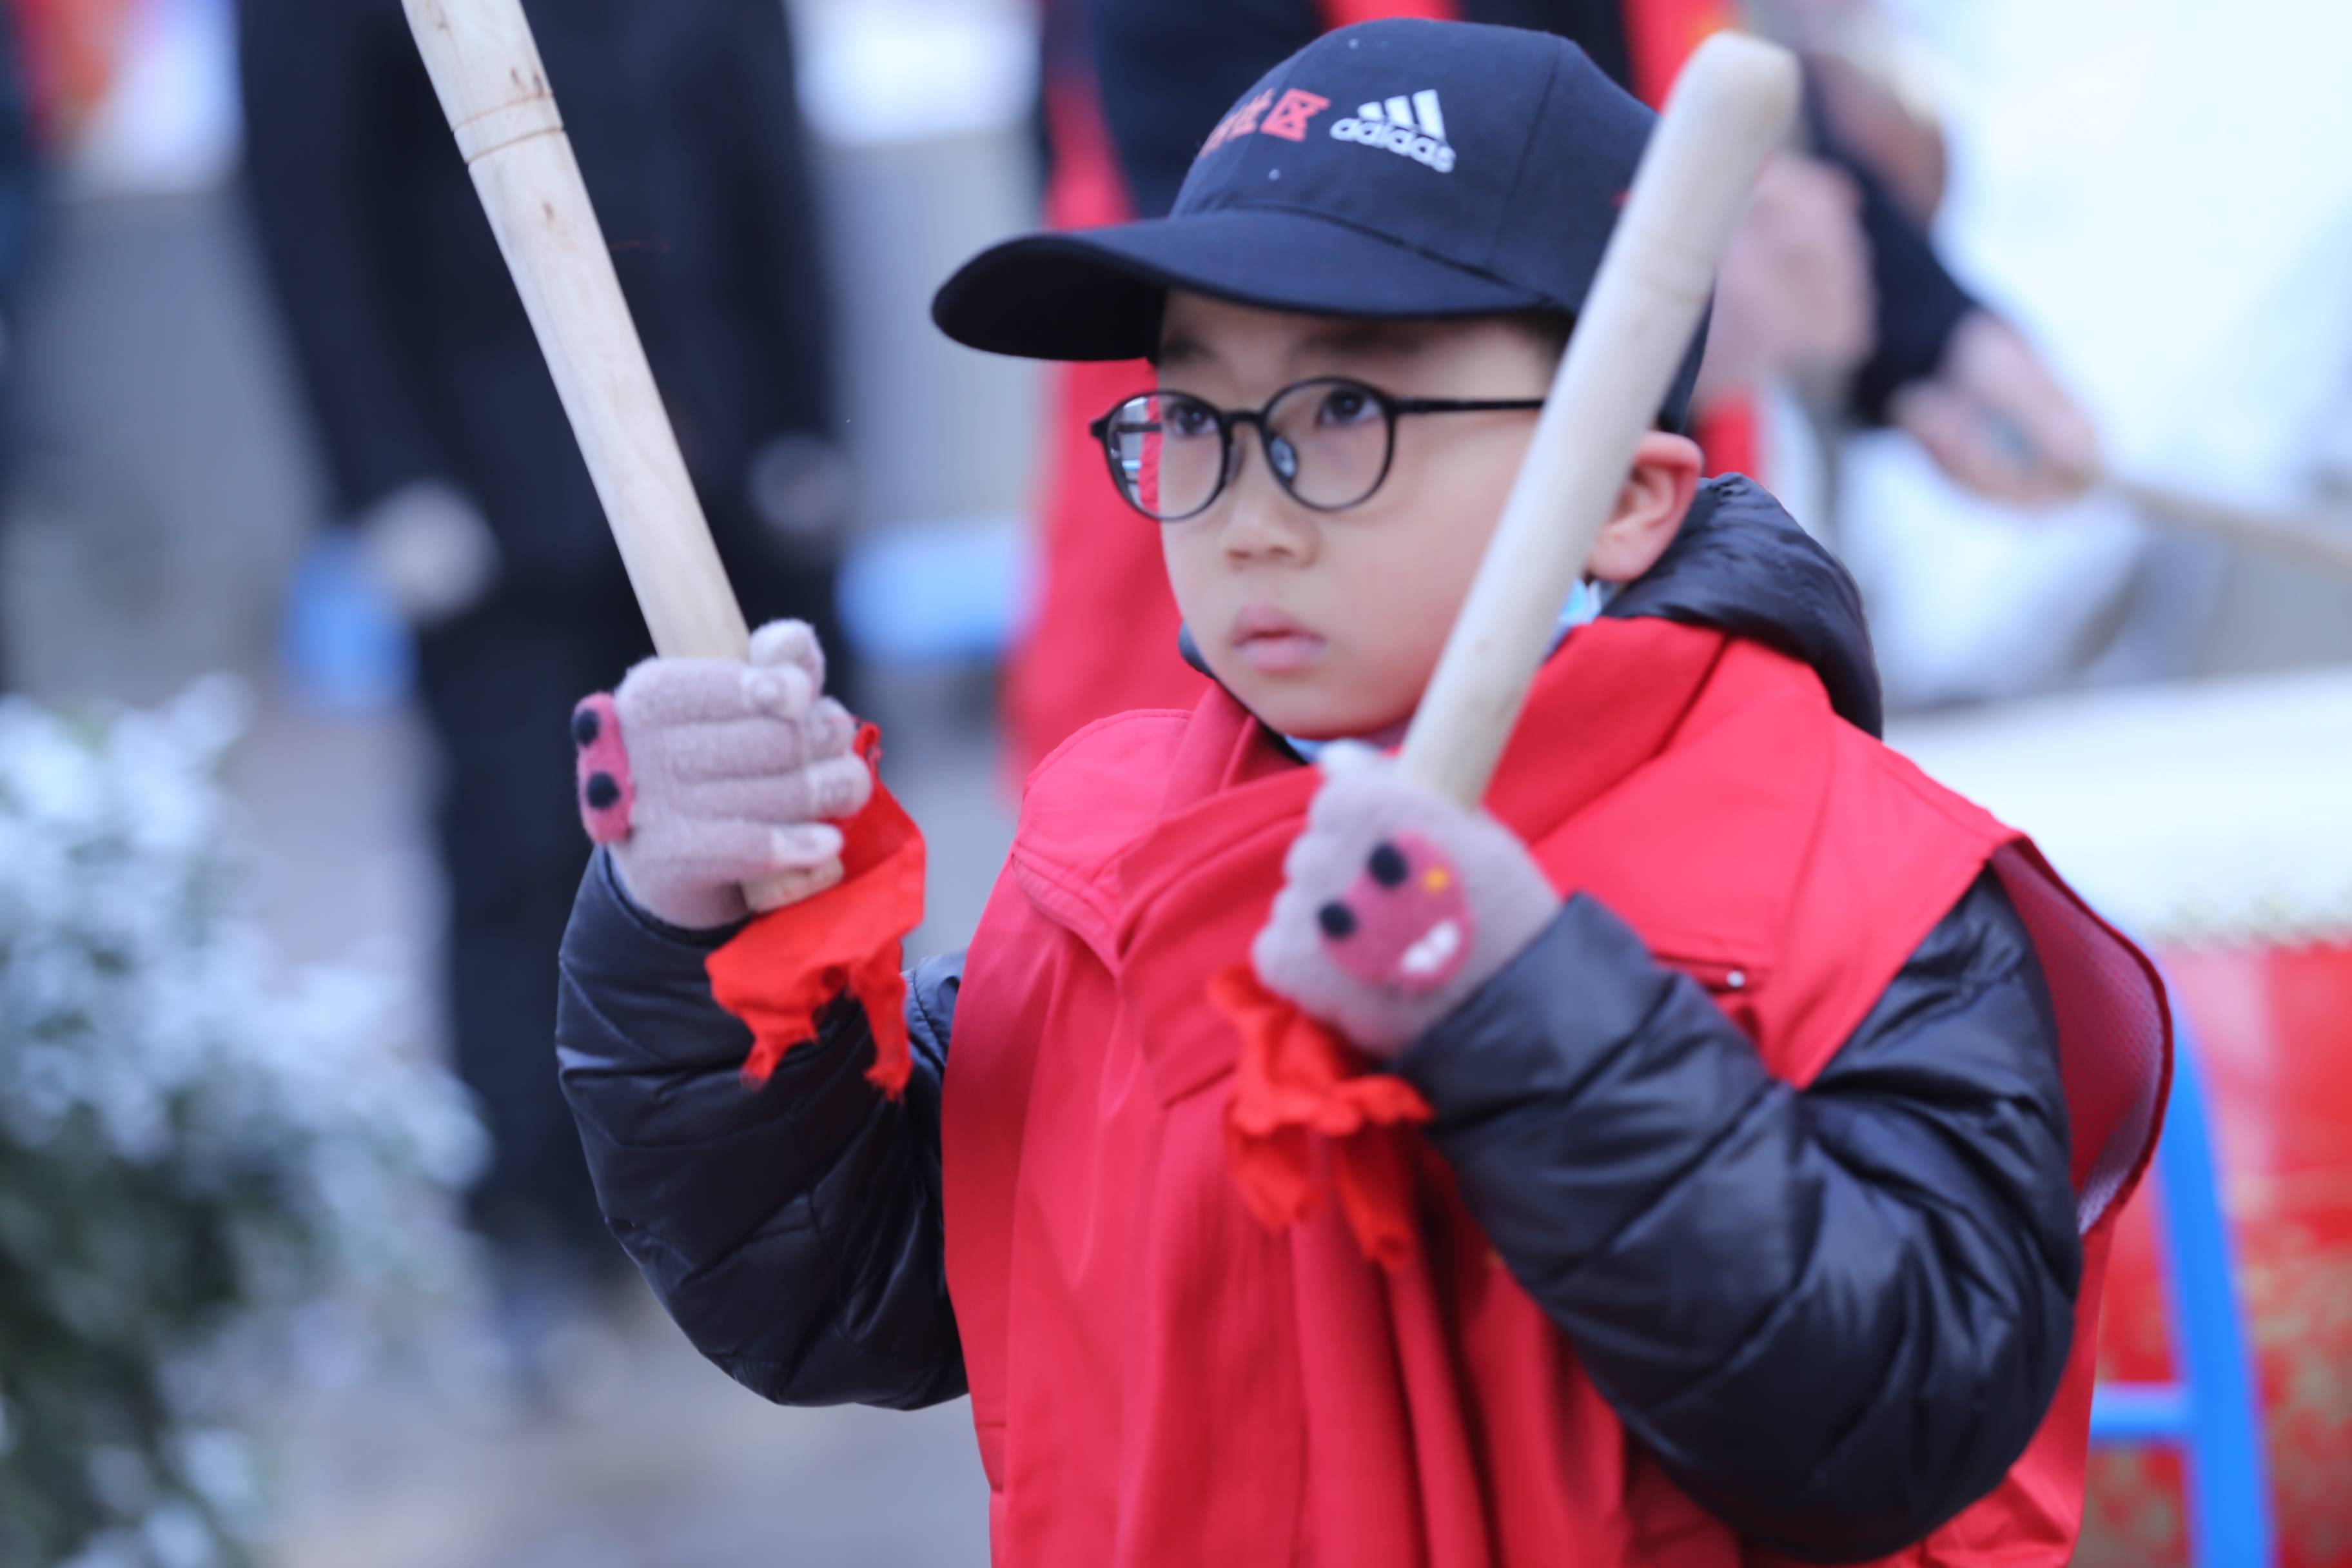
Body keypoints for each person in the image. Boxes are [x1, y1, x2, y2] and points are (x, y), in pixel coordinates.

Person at [555, 22, 2167, 1563]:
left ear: (1619, 492)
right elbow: (853, 1285)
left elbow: (1903, 1422)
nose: (1244, 515)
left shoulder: (1857, 885)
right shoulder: (1116, 850)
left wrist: (1533, 1018)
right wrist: (694, 938)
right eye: (1195, 415)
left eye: (1345, 411)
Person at [1001, 0, 2099, 776]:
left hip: (1620, 634)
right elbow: (1270, 286)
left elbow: (1668, 92)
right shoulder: (1103, 856)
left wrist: (1931, 332)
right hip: (1202, 687)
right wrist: (1666, 319)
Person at [237, 0, 850, 1307]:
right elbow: (309, 205)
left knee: (776, 832)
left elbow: (769, 148)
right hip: (498, 501)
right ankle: (538, 1223)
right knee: (525, 855)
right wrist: (385, 477)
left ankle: (795, 1181)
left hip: (725, 464)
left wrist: (809, 412)